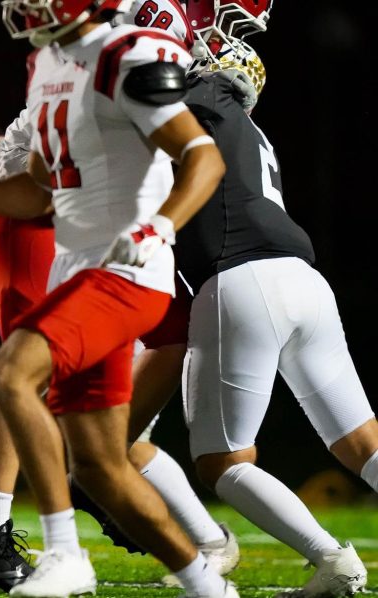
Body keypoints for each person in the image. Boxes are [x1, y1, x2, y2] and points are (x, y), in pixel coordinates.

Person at [0, 1, 237, 592]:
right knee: (99, 467)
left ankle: (64, 554)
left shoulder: (127, 55)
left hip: (129, 275)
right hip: (77, 270)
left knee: (11, 374)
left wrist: (159, 227)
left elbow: (204, 157)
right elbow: (42, 193)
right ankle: (208, 584)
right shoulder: (48, 63)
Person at [179, 1, 377, 595]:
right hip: (304, 282)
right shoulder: (246, 124)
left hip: (242, 280)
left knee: (223, 461)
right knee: (363, 442)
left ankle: (330, 559)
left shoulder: (200, 102)